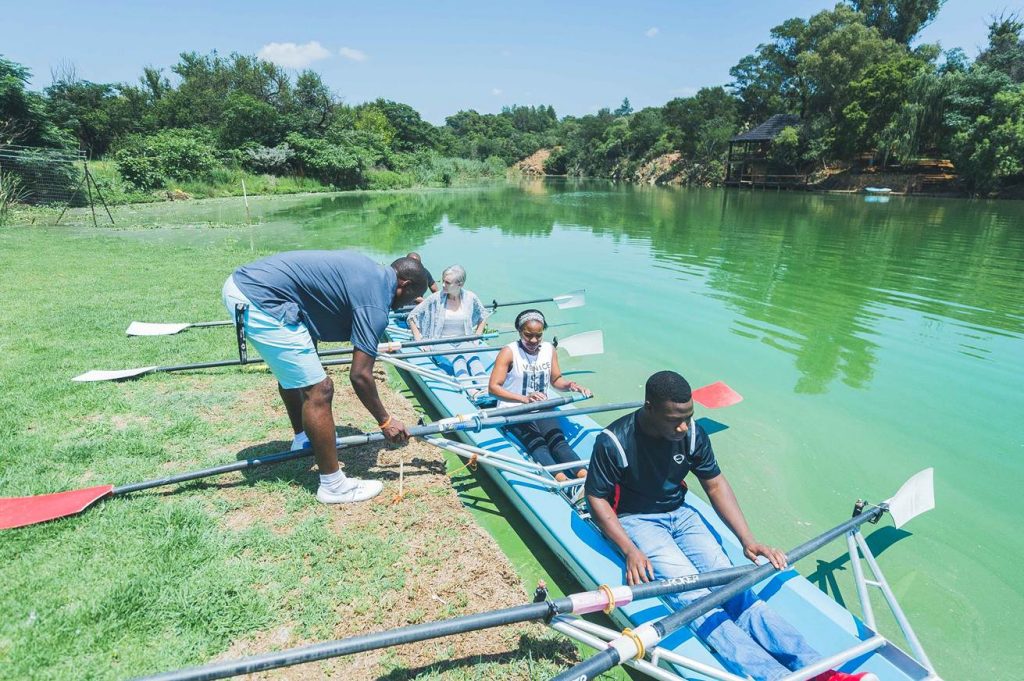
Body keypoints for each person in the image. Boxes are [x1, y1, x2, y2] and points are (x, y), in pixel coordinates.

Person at [585, 371, 878, 681]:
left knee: (735, 587)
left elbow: (714, 484)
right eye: (675, 419)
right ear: (649, 407)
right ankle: (776, 677)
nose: (684, 426)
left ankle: (820, 672)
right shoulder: (614, 441)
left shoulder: (693, 434)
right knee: (696, 601)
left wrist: (747, 539)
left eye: (689, 416)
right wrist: (629, 549)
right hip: (639, 521)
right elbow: (596, 498)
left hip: (681, 513)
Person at [222, 250, 428, 504]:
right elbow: (360, 375)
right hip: (260, 296)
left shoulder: (371, 270)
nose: (409, 304)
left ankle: (303, 439)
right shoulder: (375, 302)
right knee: (320, 389)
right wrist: (385, 421)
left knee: (298, 371)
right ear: (403, 286)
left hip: (247, 285)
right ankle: (334, 485)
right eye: (412, 297)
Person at [488, 309, 592, 486]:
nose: (534, 341)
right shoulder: (509, 352)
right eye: (528, 336)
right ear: (520, 331)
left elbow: (556, 380)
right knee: (538, 444)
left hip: (542, 406)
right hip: (514, 409)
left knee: (559, 443)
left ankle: (586, 478)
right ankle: (563, 482)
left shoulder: (549, 350)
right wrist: (524, 399)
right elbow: (493, 388)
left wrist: (569, 386)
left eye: (539, 336)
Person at [406, 264, 490, 396]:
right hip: (440, 341)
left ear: (460, 284)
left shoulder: (470, 297)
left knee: (474, 360)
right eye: (443, 281)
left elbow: (483, 314)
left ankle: (487, 388)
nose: (443, 285)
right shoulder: (435, 298)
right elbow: (412, 316)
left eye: (447, 282)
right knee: (459, 359)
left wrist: (477, 337)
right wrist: (419, 340)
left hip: (464, 339)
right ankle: (472, 392)